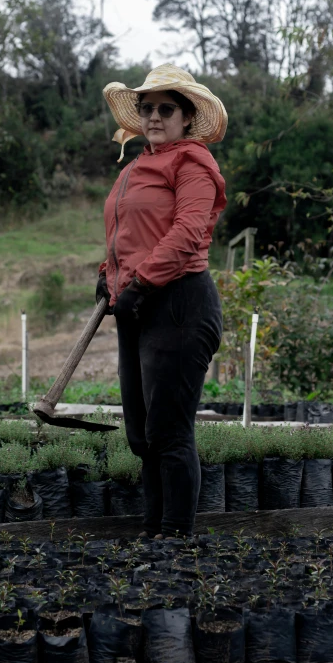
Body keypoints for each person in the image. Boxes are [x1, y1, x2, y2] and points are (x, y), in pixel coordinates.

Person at [96, 64, 227, 538]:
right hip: (136, 305)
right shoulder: (136, 166)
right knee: (141, 434)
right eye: (146, 108)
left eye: (165, 109)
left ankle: (175, 538)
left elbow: (188, 233)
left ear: (187, 117)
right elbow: (127, 234)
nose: (153, 116)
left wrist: (142, 284)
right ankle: (152, 533)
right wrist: (107, 276)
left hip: (178, 304)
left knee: (169, 431)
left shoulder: (193, 163)